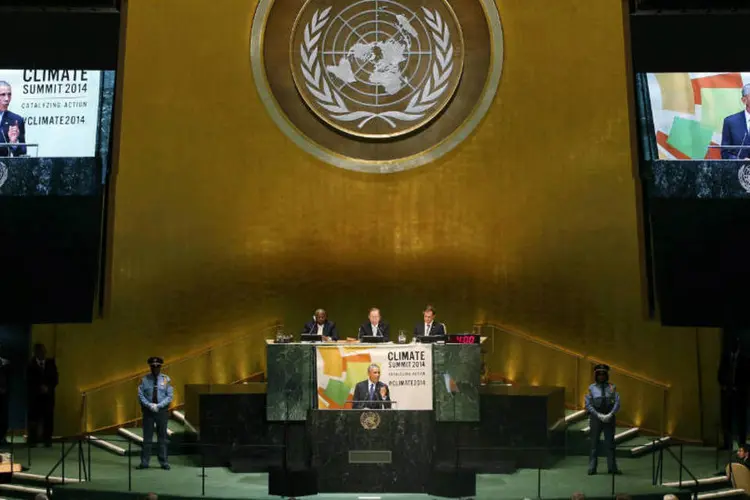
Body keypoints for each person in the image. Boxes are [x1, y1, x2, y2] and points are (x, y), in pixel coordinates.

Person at [136, 357, 173, 470]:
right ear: (150, 367)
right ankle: (145, 462)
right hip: (148, 411)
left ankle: (164, 462)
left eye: (157, 366)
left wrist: (159, 405)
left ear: (160, 367)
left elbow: (169, 396)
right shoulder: (144, 380)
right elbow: (140, 395)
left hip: (161, 411)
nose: (155, 369)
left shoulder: (166, 379)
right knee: (147, 438)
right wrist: (149, 405)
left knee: (162, 438)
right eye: (153, 366)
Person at [584, 364, 621, 475]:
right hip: (596, 418)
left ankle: (612, 467)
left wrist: (610, 414)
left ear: (606, 375)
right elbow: (588, 404)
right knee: (594, 444)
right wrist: (598, 415)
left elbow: (617, 402)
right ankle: (592, 468)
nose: (601, 376)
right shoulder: (591, 388)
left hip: (609, 417)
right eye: (599, 374)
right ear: (596, 375)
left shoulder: (612, 387)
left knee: (610, 444)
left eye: (603, 374)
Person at [719, 330, 749, 450]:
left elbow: (747, 376)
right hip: (728, 392)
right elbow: (720, 374)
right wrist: (725, 385)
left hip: (741, 393)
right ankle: (727, 443)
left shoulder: (744, 359)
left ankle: (742, 443)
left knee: (741, 419)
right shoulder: (726, 358)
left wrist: (739, 386)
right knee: (727, 419)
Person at [26, 343, 58, 447]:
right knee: (33, 419)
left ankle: (47, 440)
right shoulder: (30, 365)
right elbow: (28, 381)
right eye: (40, 352)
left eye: (44, 351)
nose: (42, 354)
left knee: (48, 419)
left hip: (48, 397)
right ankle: (32, 440)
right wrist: (38, 388)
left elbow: (55, 379)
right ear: (36, 353)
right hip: (35, 398)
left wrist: (48, 387)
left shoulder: (51, 364)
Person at [722, 84, 750, 160]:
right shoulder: (730, 122)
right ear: (744, 100)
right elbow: (725, 153)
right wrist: (740, 161)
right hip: (739, 169)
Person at [0, 81, 26, 157]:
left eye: (9, 94)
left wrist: (14, 143)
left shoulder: (16, 120)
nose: (7, 99)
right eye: (3, 95)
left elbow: (23, 152)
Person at [0, 344, 11, 445]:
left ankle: (2, 437)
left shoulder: (5, 363)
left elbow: (8, 379)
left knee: (3, 417)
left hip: (3, 395)